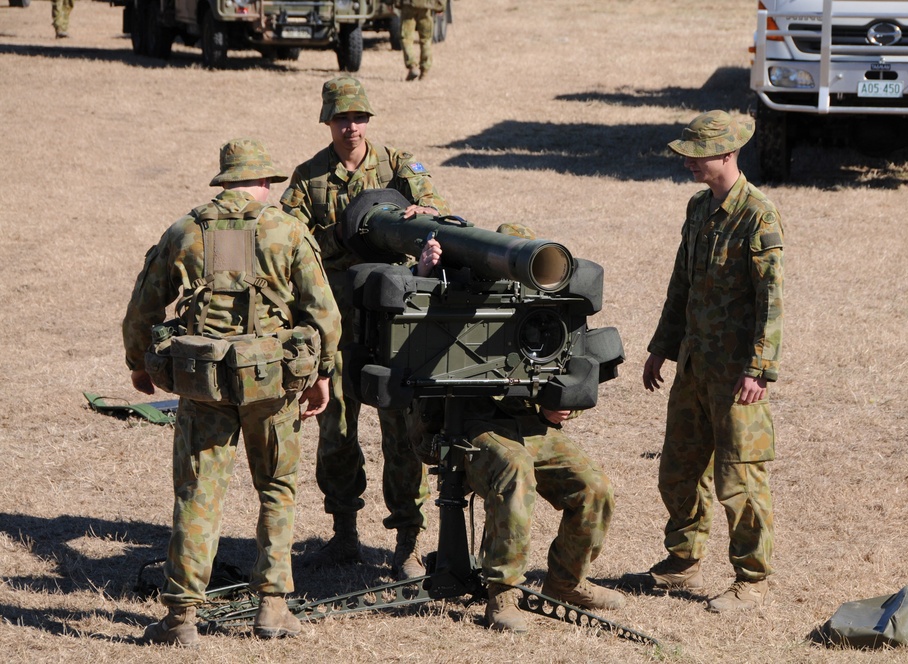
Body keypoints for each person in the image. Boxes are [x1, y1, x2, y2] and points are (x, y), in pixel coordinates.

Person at [122, 138, 342, 647]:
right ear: (263, 182)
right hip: (273, 386)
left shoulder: (185, 230)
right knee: (277, 489)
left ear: (225, 181)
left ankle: (180, 619)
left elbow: (143, 310)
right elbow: (323, 314)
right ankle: (272, 607)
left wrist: (139, 365)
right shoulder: (287, 230)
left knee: (198, 495)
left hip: (205, 387)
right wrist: (324, 373)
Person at [411, 223, 626, 633]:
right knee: (515, 470)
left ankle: (567, 582)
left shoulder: (548, 306)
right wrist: (424, 276)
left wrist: (557, 411)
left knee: (594, 488)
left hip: (531, 424)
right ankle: (503, 594)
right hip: (471, 421)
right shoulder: (456, 299)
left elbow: (571, 369)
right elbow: (416, 344)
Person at [280, 75, 450, 580]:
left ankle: (408, 542)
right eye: (340, 119)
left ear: (368, 121)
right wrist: (340, 237)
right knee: (335, 428)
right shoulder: (309, 177)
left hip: (393, 320)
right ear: (327, 122)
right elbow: (290, 242)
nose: (350, 127)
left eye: (357, 118)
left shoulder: (399, 165)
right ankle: (344, 533)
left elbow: (434, 209)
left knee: (402, 430)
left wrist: (422, 216)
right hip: (335, 321)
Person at [637, 110, 784, 612]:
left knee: (740, 479)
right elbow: (682, 283)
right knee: (678, 470)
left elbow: (771, 300)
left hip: (737, 375)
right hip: (694, 366)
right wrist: (662, 345)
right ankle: (683, 561)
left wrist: (760, 369)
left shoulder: (758, 215)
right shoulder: (698, 208)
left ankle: (752, 580)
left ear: (726, 154)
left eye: (696, 153)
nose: (687, 162)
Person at [398, 0, 441, 81]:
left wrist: (390, 3)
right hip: (426, 5)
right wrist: (440, 6)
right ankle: (424, 71)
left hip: (408, 5)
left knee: (406, 38)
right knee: (426, 39)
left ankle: (412, 66)